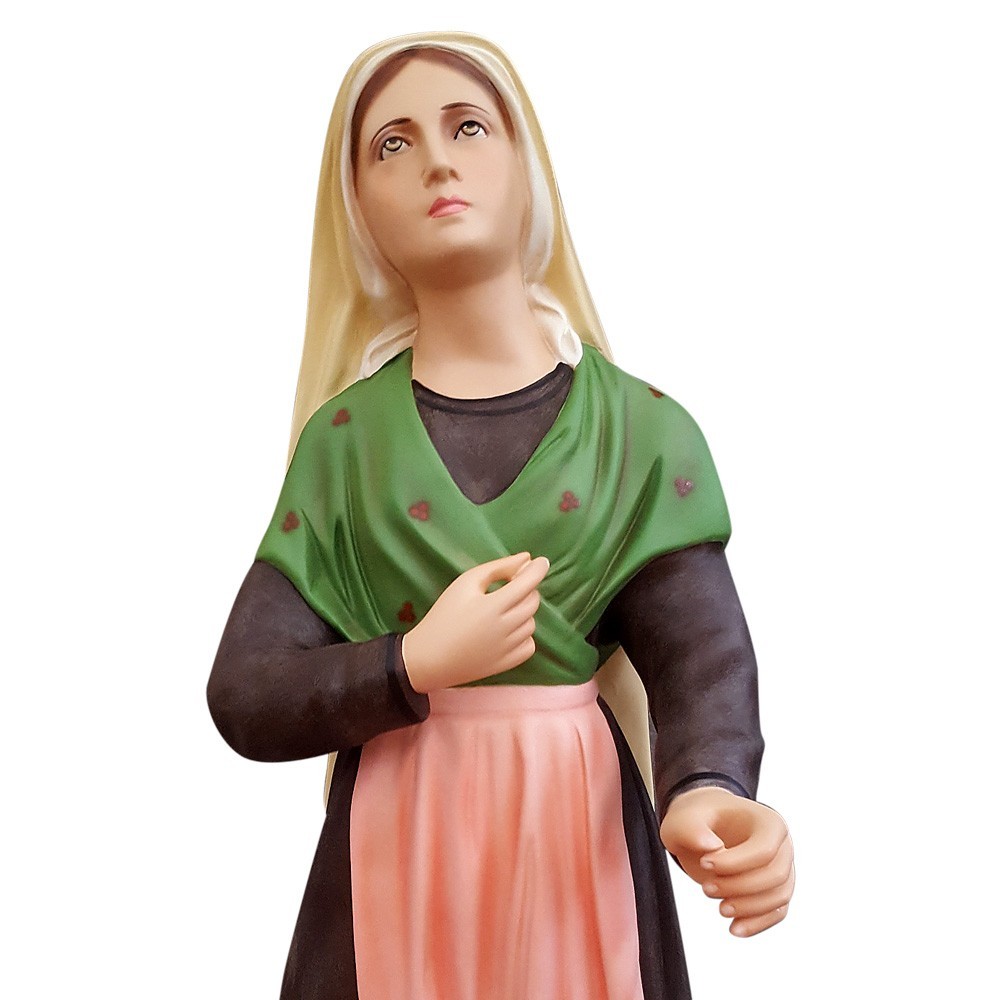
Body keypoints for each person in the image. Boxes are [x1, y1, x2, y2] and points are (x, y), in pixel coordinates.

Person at [208, 30, 794, 1000]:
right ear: (356, 207)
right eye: (391, 143)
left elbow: (701, 656)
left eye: (468, 126)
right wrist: (410, 663)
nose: (436, 160)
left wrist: (710, 790)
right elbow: (245, 691)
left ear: (528, 166)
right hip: (398, 845)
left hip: (577, 840)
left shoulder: (639, 433)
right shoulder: (346, 445)